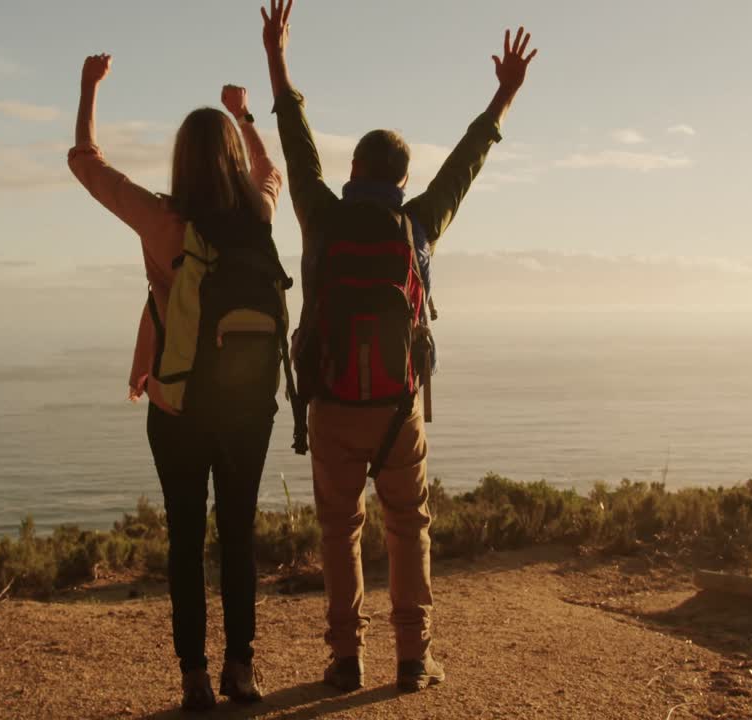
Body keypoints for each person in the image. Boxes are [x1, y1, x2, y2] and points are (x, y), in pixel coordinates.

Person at [259, 0, 538, 694]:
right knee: (408, 528)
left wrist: (278, 57)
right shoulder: (417, 222)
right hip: (396, 409)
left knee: (339, 533)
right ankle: (413, 659)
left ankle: (345, 660)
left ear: (353, 166)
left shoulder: (320, 214)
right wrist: (502, 95)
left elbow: (295, 144)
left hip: (328, 404)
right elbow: (467, 166)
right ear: (404, 180)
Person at [67, 53, 284, 711]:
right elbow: (269, 171)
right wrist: (244, 114)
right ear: (231, 161)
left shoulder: (161, 222)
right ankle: (241, 671)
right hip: (249, 407)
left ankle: (193, 677)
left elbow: (86, 162)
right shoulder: (260, 217)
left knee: (187, 542)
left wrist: (88, 88)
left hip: (178, 405)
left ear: (181, 163)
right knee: (239, 539)